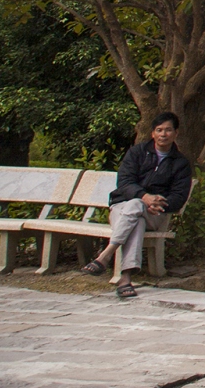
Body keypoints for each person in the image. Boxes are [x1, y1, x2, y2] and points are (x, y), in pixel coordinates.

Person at [79, 112, 193, 298]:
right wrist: (144, 197)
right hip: (122, 209)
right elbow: (124, 183)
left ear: (176, 133)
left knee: (137, 207)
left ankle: (105, 255)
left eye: (168, 130)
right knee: (136, 213)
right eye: (159, 130)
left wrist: (156, 203)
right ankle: (125, 278)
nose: (163, 134)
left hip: (155, 214)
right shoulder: (137, 153)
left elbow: (179, 196)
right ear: (152, 133)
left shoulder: (180, 163)